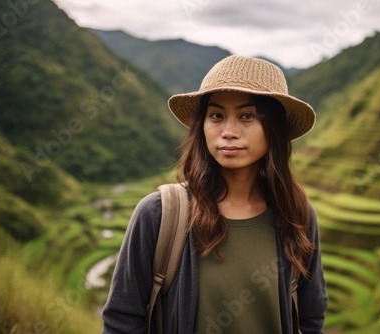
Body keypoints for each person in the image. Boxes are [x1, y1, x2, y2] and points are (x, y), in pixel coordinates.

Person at [101, 55, 328, 334]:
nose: (229, 132)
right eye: (216, 116)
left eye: (247, 115)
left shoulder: (297, 216)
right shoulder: (158, 214)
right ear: (203, 126)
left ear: (275, 128)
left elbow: (310, 318)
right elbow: (121, 322)